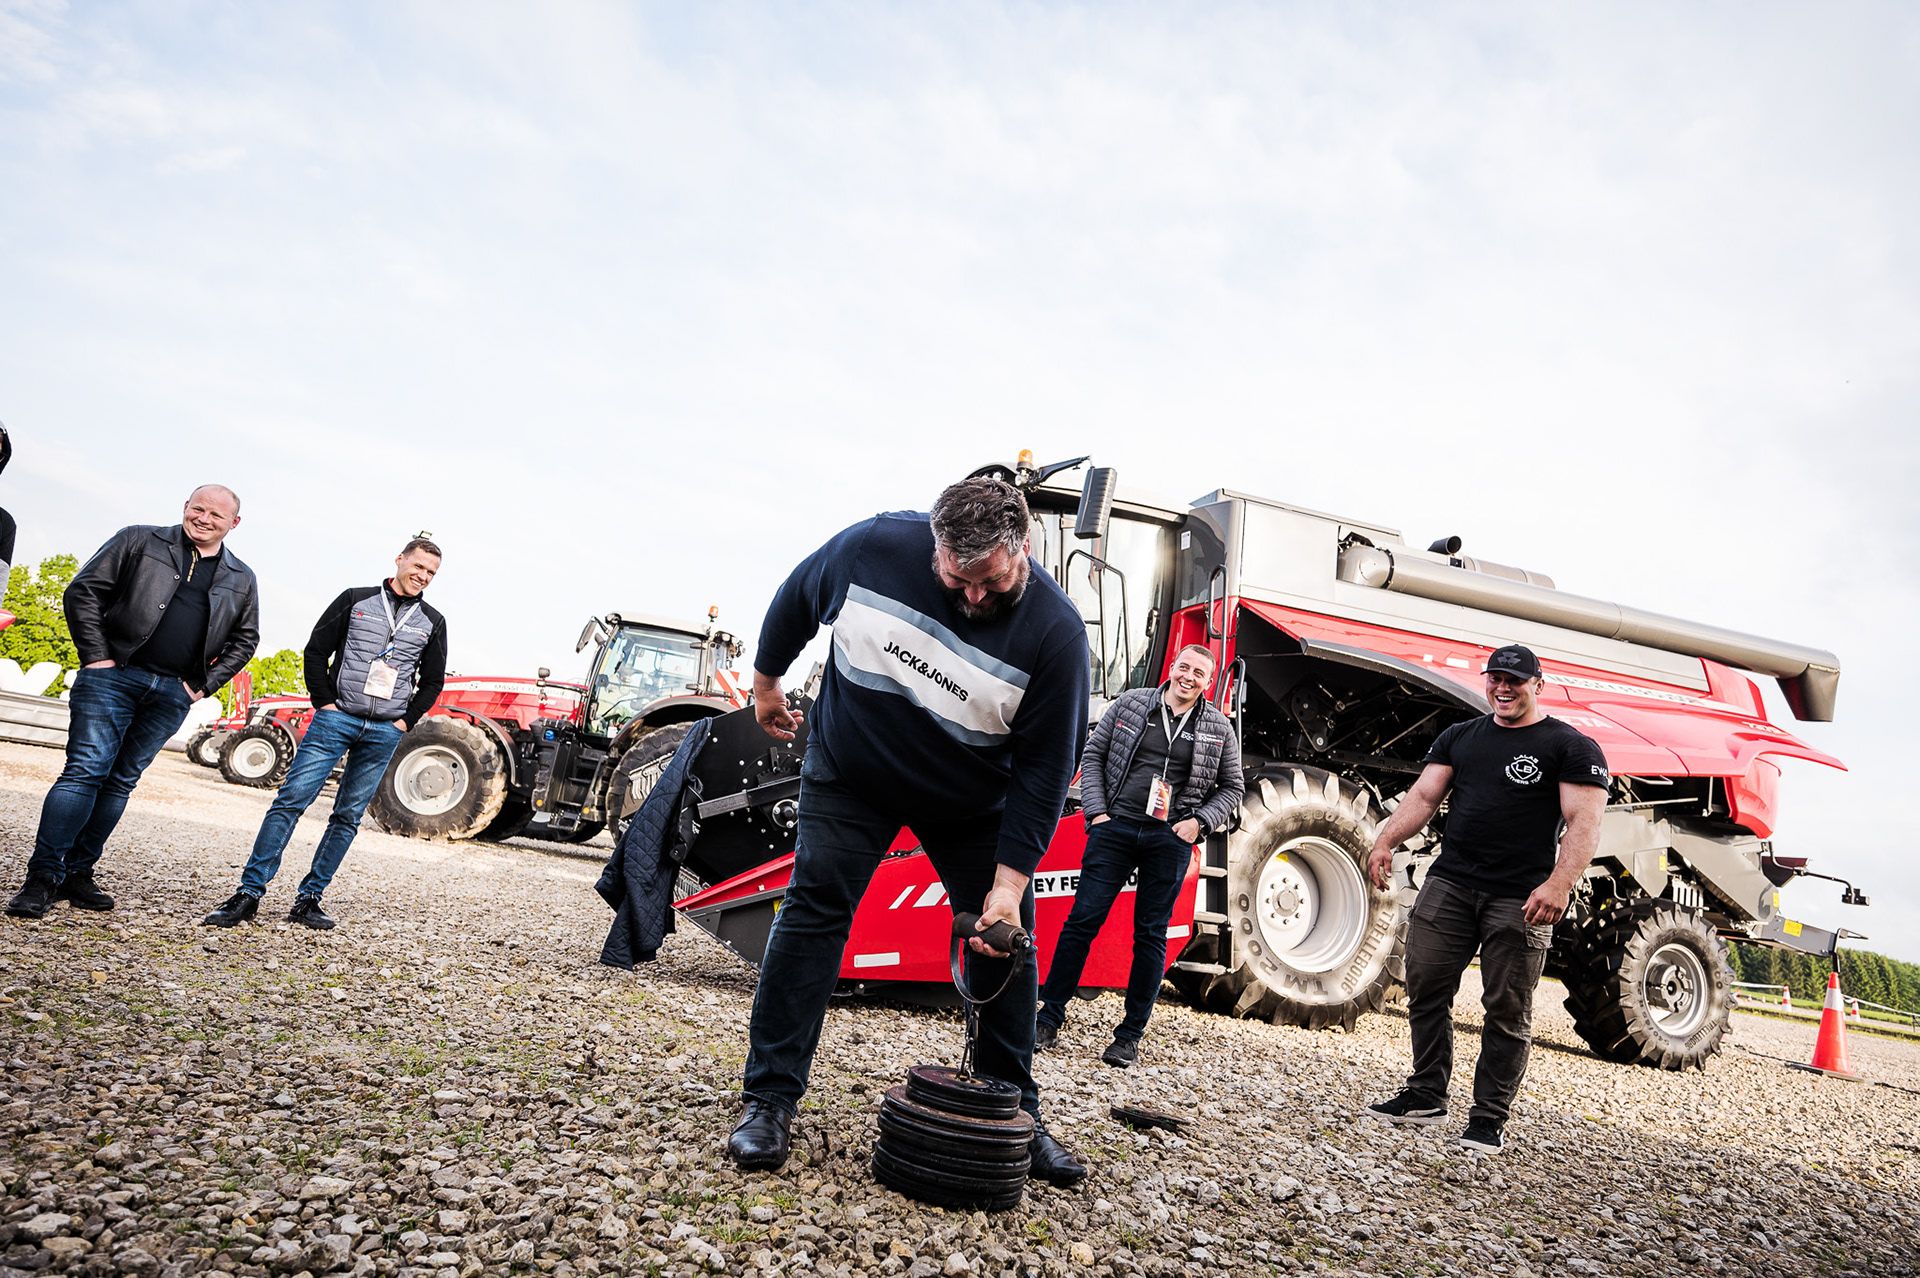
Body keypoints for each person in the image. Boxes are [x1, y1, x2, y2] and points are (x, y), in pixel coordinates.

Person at [727, 477, 1091, 1187]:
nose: (975, 596)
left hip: (971, 800)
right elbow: (796, 599)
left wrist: (1008, 887)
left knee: (1005, 940)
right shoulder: (872, 548)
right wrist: (766, 685)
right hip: (853, 771)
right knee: (813, 911)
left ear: (1023, 547)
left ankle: (1014, 1110)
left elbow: (1046, 774)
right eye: (958, 578)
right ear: (933, 545)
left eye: (993, 580)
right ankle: (768, 1099)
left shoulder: (1056, 634)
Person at [1362, 643, 1610, 1154]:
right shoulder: (1460, 736)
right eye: (1495, 677)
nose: (1502, 687)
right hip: (1451, 882)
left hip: (1521, 896)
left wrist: (1559, 884)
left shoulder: (1570, 746)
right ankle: (1426, 1095)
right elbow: (1424, 797)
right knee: (1425, 986)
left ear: (1538, 685)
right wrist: (1386, 840)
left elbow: (1584, 823)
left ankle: (1488, 1118)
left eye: (1514, 680)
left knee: (1506, 1008)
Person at [6, 486, 258, 919]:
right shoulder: (139, 539)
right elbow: (84, 591)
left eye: (216, 515)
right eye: (197, 508)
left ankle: (77, 873)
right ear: (185, 507)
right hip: (113, 677)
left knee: (121, 782)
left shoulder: (241, 576)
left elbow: (245, 639)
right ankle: (42, 877)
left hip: (173, 693)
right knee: (85, 772)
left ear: (234, 523)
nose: (204, 518)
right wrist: (96, 657)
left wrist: (200, 686)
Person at [203, 536, 447, 931]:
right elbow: (316, 651)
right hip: (337, 719)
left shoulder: (433, 622)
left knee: (347, 817)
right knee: (290, 802)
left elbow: (433, 681)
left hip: (384, 730)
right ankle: (248, 894)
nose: (423, 576)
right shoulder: (355, 599)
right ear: (400, 559)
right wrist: (325, 703)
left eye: (431, 572)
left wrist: (405, 721)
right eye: (418, 566)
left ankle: (309, 899)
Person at [1035, 643, 1244, 1067]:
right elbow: (1093, 754)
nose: (1188, 677)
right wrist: (1097, 813)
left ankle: (1129, 1037)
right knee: (1081, 922)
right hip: (1116, 829)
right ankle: (1048, 1018)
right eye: (1184, 667)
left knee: (1150, 935)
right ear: (1172, 667)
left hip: (1170, 838)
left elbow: (1233, 787)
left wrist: (1198, 823)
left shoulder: (1219, 728)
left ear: (1209, 682)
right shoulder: (1131, 703)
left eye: (1199, 673)